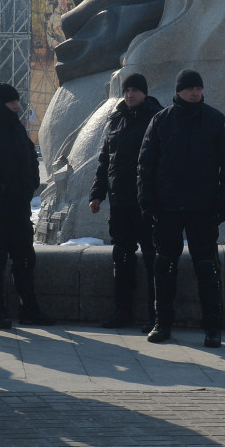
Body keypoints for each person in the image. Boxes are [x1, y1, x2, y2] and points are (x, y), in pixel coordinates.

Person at [137, 68, 225, 347]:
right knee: (164, 266)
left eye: (199, 88)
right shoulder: (161, 121)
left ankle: (213, 328)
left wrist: (223, 200)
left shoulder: (217, 121)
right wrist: (147, 200)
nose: (195, 92)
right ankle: (162, 323)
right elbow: (145, 165)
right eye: (190, 88)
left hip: (202, 208)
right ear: (179, 91)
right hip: (168, 207)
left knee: (206, 267)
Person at [0, 83, 53, 330]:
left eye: (17, 101)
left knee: (25, 259)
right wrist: (1, 189)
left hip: (18, 209)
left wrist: (31, 184)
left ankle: (29, 309)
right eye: (10, 102)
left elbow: (30, 159)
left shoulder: (17, 129)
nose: (16, 106)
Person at [89, 72, 163, 330]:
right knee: (121, 257)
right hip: (120, 202)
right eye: (126, 90)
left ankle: (157, 316)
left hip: (147, 203)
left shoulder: (157, 119)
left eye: (135, 90)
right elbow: (105, 161)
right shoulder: (115, 120)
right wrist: (97, 193)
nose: (130, 94)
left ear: (144, 92)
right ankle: (122, 311)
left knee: (153, 257)